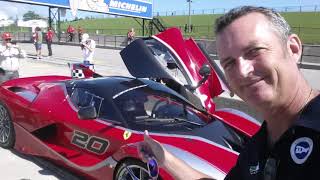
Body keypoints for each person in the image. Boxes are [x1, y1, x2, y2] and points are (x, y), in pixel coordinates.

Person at [138, 6, 320, 180]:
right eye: (229, 63)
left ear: (293, 49)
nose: (242, 71)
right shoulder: (258, 145)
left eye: (254, 51)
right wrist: (165, 158)